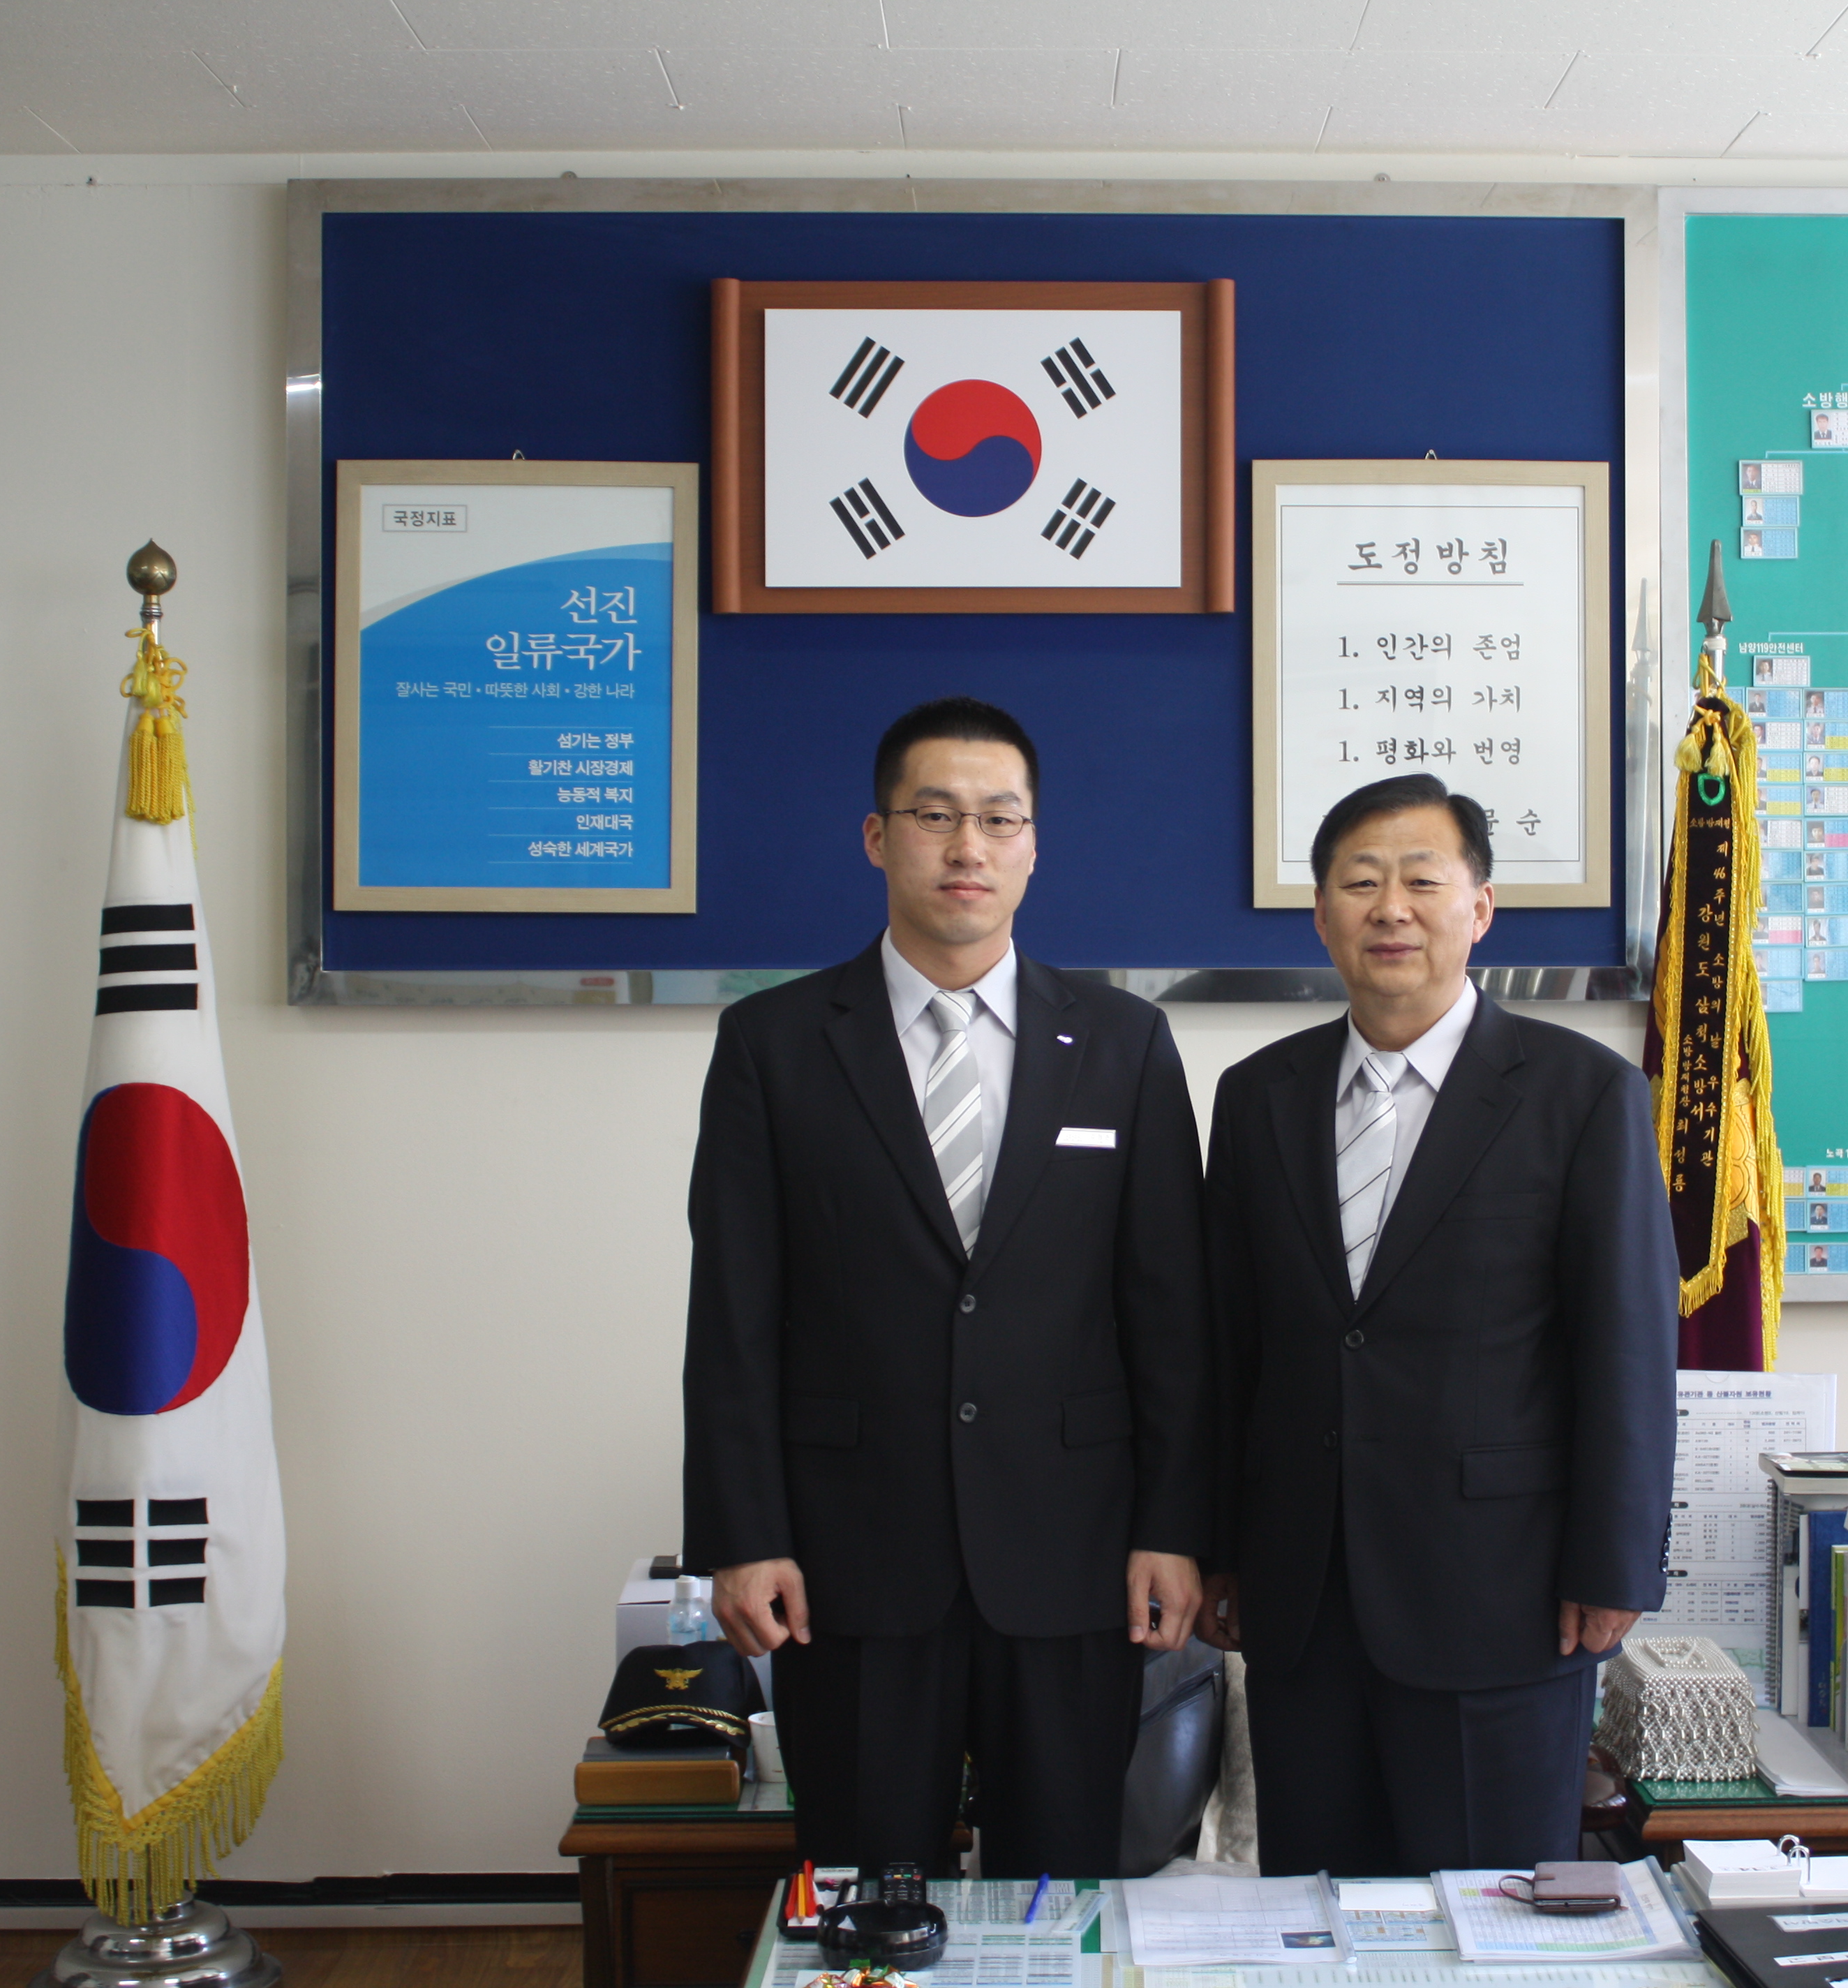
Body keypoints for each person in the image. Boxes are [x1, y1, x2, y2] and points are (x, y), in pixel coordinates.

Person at [680, 697, 1209, 1875]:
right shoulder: (774, 1044)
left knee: (1061, 1888)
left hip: (1072, 1556)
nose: (968, 846)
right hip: (850, 1559)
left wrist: (1175, 1529)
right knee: (866, 1892)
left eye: (998, 819)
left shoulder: (1124, 1044)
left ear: (1033, 845)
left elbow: (1170, 1314)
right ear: (879, 837)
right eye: (935, 816)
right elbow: (733, 1316)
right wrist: (741, 1536)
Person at [1195, 773, 1676, 1876]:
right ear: (1321, 916)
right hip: (1303, 1599)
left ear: (1480, 908)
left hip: (1501, 1596)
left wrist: (1615, 1565)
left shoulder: (1582, 1094)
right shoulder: (1257, 1095)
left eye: (1422, 880)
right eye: (1360, 883)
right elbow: (1229, 1346)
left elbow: (1628, 1350)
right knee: (1318, 1914)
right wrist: (1219, 1546)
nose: (1391, 909)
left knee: (1489, 1919)